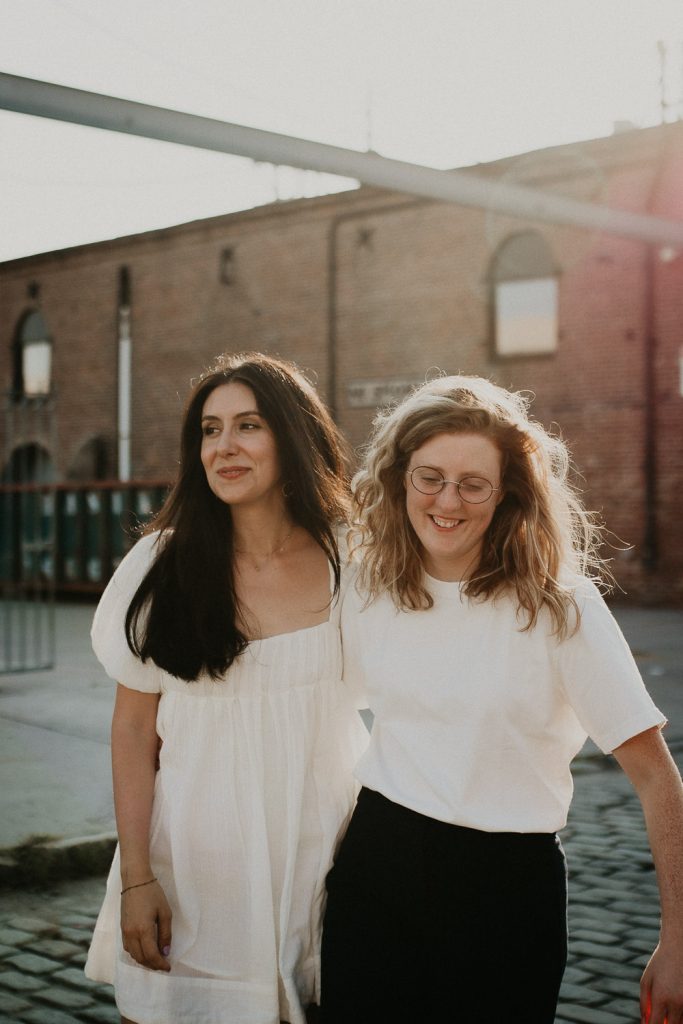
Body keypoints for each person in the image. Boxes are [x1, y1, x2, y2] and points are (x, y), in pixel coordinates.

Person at [320, 374, 683, 1024]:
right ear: (400, 478)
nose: (447, 501)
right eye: (429, 477)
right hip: (378, 866)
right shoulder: (370, 585)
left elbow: (657, 778)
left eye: (472, 483)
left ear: (507, 494)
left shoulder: (558, 606)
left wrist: (679, 942)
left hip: (505, 889)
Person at [85, 352, 368, 1024]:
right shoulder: (162, 564)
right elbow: (131, 732)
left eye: (248, 426)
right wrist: (136, 878)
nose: (224, 446)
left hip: (322, 860)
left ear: (292, 437)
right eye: (210, 431)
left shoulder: (350, 556)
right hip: (189, 865)